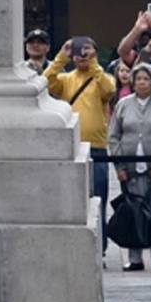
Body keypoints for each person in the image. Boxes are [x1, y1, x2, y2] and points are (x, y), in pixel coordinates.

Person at [42, 37, 118, 250]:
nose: (81, 55)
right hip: (72, 146)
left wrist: (93, 63)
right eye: (78, 51)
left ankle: (100, 247)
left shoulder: (104, 77)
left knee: (99, 198)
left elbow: (108, 90)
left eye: (87, 50)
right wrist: (60, 57)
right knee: (73, 201)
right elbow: (45, 83)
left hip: (97, 147)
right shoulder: (66, 79)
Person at [107, 64, 151, 270]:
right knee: (133, 213)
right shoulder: (123, 104)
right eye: (138, 79)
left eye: (146, 79)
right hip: (130, 169)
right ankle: (135, 258)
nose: (141, 82)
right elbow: (114, 136)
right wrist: (119, 165)